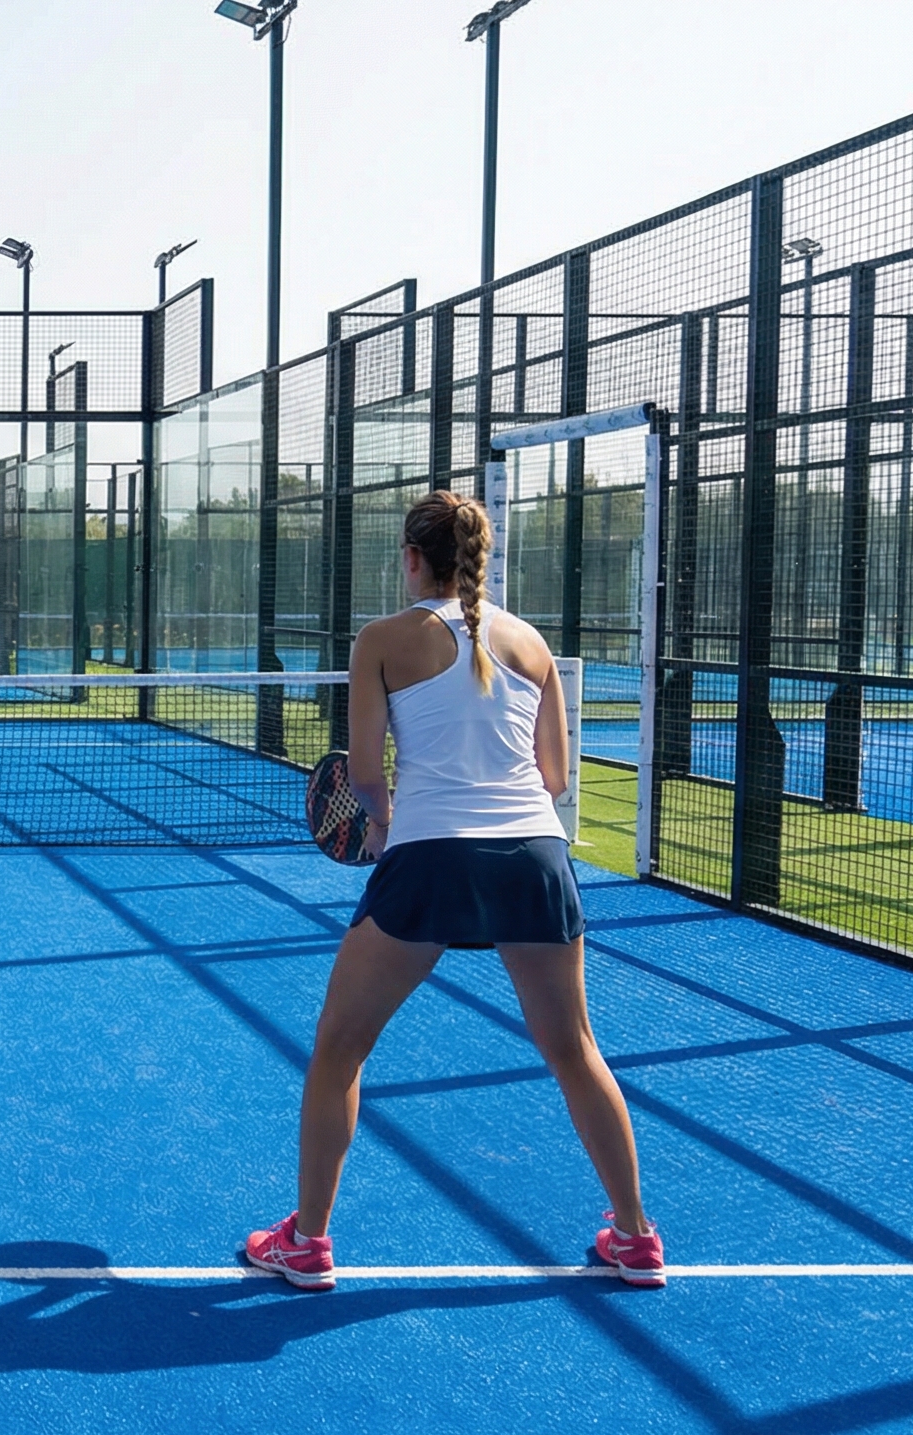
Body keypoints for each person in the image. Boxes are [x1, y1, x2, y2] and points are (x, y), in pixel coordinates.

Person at [243, 489, 661, 1291]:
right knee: (575, 1050)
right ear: (482, 559)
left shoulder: (382, 641)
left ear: (410, 558)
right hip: (537, 856)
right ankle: (636, 1237)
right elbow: (555, 777)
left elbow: (365, 773)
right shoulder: (533, 645)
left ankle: (307, 1242)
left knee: (338, 1050)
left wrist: (379, 821)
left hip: (430, 857)